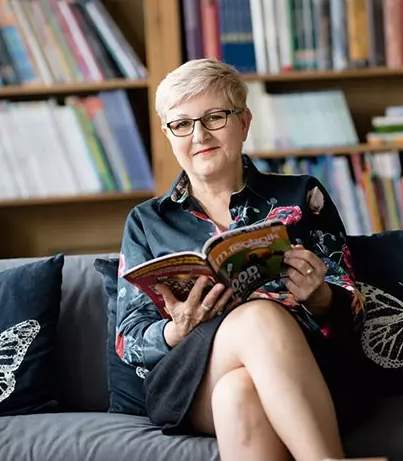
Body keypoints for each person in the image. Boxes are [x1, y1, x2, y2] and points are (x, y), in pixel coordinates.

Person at [110, 58, 370, 461]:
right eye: (182, 124)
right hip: (191, 378)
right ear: (168, 134)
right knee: (258, 318)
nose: (199, 135)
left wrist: (319, 296)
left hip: (308, 366)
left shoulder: (302, 195)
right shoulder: (147, 222)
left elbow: (353, 307)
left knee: (239, 392)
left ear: (244, 123)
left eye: (215, 117)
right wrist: (176, 330)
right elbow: (128, 339)